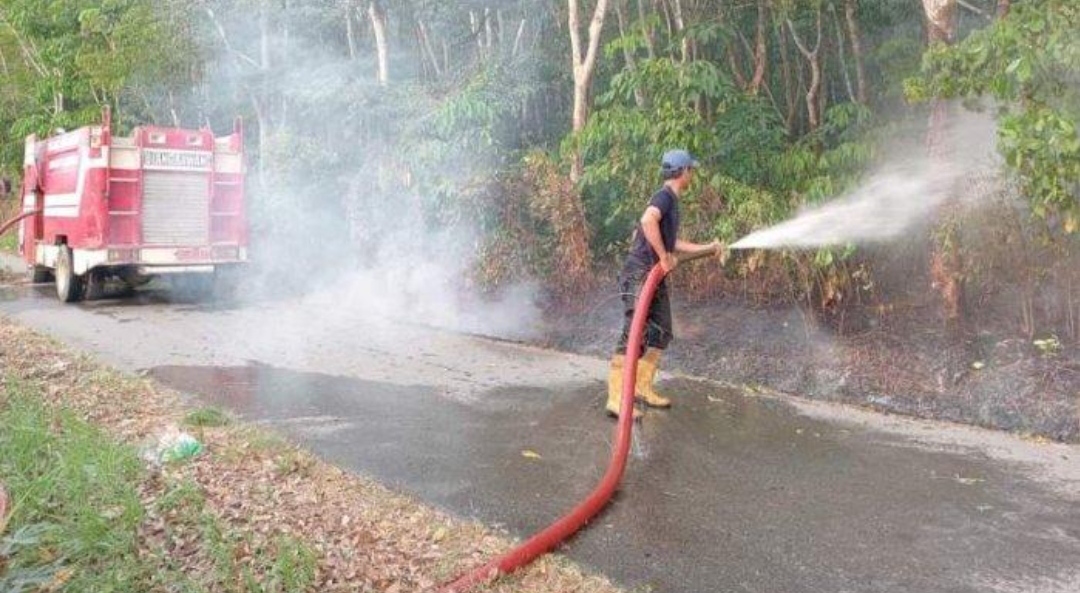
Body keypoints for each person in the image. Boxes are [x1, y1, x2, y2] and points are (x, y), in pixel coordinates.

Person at [606, 149, 723, 418]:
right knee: (633, 333)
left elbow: (673, 244)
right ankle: (616, 397)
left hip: (653, 277)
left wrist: (707, 247)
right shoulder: (664, 197)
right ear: (683, 172)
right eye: (690, 170)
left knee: (661, 332)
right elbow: (648, 221)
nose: (692, 175)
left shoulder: (671, 200)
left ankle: (641, 388)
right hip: (639, 274)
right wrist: (662, 256)